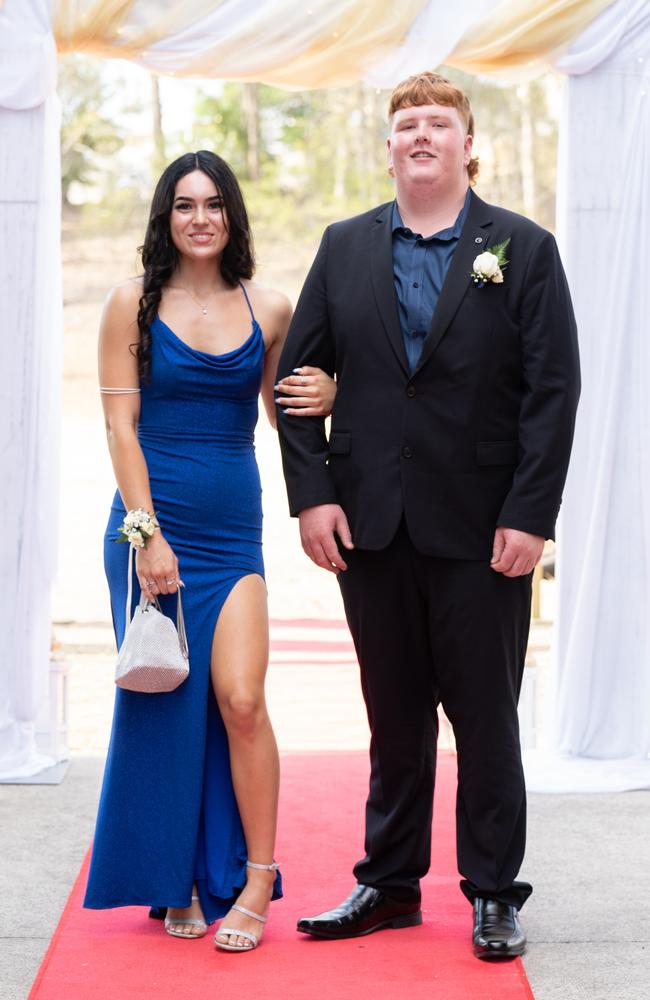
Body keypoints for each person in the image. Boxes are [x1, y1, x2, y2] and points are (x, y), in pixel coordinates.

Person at [275, 72, 580, 959]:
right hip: (370, 526)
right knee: (392, 715)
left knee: (486, 717)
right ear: (387, 146)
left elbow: (552, 394)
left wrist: (532, 514)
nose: (421, 135)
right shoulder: (343, 248)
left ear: (467, 144)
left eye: (438, 123)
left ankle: (492, 892)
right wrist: (315, 495)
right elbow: (299, 390)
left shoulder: (522, 249)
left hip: (485, 529)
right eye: (406, 123)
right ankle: (388, 883)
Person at [84, 150, 336, 953]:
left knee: (241, 700)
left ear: (233, 216)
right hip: (148, 526)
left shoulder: (270, 306)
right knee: (163, 704)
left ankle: (257, 875)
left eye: (214, 204)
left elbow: (281, 414)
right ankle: (177, 880)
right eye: (184, 205)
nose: (200, 218)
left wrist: (333, 394)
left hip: (233, 534)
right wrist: (145, 533)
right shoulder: (131, 302)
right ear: (165, 218)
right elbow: (121, 428)